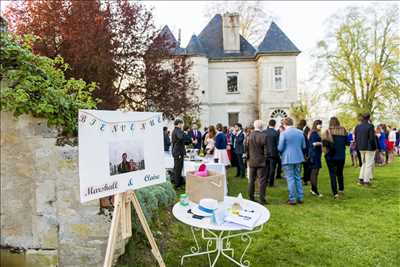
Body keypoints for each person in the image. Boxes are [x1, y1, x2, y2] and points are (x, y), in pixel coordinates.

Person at [278, 117, 306, 205]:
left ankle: (292, 198)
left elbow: (280, 147)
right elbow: (304, 146)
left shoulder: (283, 133)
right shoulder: (300, 132)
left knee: (290, 178)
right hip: (298, 157)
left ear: (284, 124)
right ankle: (300, 197)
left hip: (287, 158)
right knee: (297, 177)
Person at [323, 117, 348, 198]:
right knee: (340, 173)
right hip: (341, 155)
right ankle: (341, 189)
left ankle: (335, 193)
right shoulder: (343, 130)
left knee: (332, 174)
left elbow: (324, 145)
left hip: (331, 156)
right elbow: (347, 142)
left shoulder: (327, 131)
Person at [246, 120, 268, 204]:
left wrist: (248, 158)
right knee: (262, 180)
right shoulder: (263, 136)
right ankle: (262, 199)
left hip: (252, 160)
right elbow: (266, 151)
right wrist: (265, 159)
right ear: (261, 127)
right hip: (261, 161)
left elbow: (246, 148)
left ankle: (251, 197)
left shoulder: (249, 135)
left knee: (252, 180)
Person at [354, 113, 377, 185]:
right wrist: (374, 147)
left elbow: (356, 137)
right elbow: (372, 138)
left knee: (364, 162)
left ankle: (361, 178)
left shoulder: (357, 126)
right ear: (369, 118)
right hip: (369, 148)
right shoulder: (370, 126)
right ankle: (366, 181)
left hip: (360, 147)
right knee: (368, 164)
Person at [308, 120, 323, 197]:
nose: (321, 126)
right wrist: (321, 143)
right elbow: (313, 143)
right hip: (314, 155)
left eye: (321, 124)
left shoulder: (313, 132)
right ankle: (315, 191)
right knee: (314, 173)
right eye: (319, 124)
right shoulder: (314, 133)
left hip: (315, 155)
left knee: (314, 173)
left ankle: (312, 189)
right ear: (316, 125)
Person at [264, 119, 279, 187]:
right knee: (272, 169)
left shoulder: (264, 132)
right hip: (273, 153)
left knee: (266, 168)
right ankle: (271, 183)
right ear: (274, 124)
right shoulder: (276, 132)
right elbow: (278, 143)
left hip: (265, 152)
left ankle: (266, 181)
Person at [171, 119, 186, 189]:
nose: (182, 125)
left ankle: (176, 182)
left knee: (177, 168)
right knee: (178, 169)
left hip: (176, 151)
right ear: (179, 124)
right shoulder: (178, 130)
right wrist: (182, 132)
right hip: (178, 152)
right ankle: (177, 185)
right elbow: (180, 137)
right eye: (181, 124)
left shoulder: (175, 130)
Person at [298, 119, 311, 185]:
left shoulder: (307, 129)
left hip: (303, 150)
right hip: (302, 150)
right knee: (302, 166)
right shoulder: (300, 130)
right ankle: (303, 179)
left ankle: (305, 179)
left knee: (305, 166)